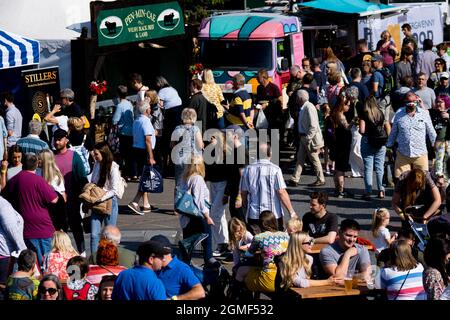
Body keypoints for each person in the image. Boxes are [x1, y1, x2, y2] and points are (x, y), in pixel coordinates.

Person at [3, 153, 58, 267]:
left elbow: (4, 196)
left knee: (30, 264)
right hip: (42, 227)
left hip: (24, 227)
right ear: (37, 164)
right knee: (46, 262)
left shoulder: (14, 180)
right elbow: (54, 200)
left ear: (23, 163)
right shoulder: (39, 180)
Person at [240, 143, 297, 234]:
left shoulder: (248, 169)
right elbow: (281, 192)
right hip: (273, 215)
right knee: (276, 243)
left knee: (257, 243)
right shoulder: (275, 169)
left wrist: (246, 207)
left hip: (254, 215)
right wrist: (292, 212)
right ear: (270, 153)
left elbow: (243, 192)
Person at [53, 128, 88, 253]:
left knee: (76, 227)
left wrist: (84, 199)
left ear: (66, 140)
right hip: (56, 202)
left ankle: (82, 252)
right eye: (55, 139)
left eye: (59, 139)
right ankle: (61, 254)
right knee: (59, 230)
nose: (56, 142)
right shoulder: (51, 157)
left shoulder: (74, 156)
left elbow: (82, 178)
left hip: (72, 199)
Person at [386, 91, 436, 178]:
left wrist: (436, 146)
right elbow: (394, 132)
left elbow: (431, 132)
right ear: (405, 102)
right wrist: (388, 147)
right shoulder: (399, 114)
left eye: (414, 101)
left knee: (422, 182)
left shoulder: (424, 114)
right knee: (401, 181)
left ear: (417, 101)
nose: (411, 104)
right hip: (403, 154)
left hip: (420, 154)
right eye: (409, 101)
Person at [178, 155, 215, 265]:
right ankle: (209, 263)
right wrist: (207, 217)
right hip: (198, 216)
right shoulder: (197, 179)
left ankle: (185, 265)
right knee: (207, 241)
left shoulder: (183, 178)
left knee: (188, 243)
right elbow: (199, 201)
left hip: (186, 215)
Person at [244, 211, 290, 293]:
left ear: (263, 224)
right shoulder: (286, 236)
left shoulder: (259, 237)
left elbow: (248, 254)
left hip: (269, 278)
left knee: (243, 274)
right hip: (286, 277)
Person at [288, 90, 325, 187]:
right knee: (300, 158)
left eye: (297, 97)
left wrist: (308, 138)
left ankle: (321, 179)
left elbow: (313, 126)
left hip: (309, 138)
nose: (296, 99)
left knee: (314, 159)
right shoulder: (305, 107)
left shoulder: (309, 108)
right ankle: (294, 179)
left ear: (300, 98)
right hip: (304, 137)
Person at [151, 234, 205, 300]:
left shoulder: (181, 269)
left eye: (153, 256)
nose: (150, 259)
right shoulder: (154, 267)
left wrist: (175, 299)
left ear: (162, 256)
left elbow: (200, 292)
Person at [89, 142, 121, 253]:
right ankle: (94, 259)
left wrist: (101, 198)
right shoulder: (97, 164)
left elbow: (114, 190)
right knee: (94, 234)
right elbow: (93, 181)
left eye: (96, 154)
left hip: (109, 202)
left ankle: (110, 258)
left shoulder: (113, 167)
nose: (94, 156)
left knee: (110, 235)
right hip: (97, 202)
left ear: (103, 153)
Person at [128, 101, 157, 215]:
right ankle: (135, 201)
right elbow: (148, 140)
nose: (150, 110)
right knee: (146, 178)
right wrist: (151, 156)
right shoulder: (146, 121)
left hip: (137, 150)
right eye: (149, 108)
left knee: (144, 177)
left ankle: (146, 204)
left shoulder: (137, 120)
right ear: (147, 110)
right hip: (144, 151)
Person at [359, 96, 390, 200]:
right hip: (380, 141)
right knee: (379, 167)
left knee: (368, 167)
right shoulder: (380, 113)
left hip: (368, 140)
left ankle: (368, 191)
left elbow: (362, 130)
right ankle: (381, 190)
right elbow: (385, 125)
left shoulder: (364, 114)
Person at [171, 108, 204, 189]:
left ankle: (178, 200)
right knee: (192, 183)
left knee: (179, 184)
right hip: (192, 159)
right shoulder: (195, 129)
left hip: (179, 158)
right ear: (194, 118)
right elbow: (200, 145)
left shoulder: (177, 128)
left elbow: (172, 145)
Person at [156, 75, 183, 173]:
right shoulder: (172, 89)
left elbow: (160, 104)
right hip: (179, 111)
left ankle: (167, 164)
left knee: (168, 137)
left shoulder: (162, 91)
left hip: (171, 113)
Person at [38, 149, 67, 231]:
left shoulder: (56, 177)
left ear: (45, 161)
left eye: (40, 159)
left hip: (54, 215)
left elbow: (62, 197)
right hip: (41, 212)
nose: (37, 160)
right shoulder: (37, 172)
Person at [0, 195, 27, 284]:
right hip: (4, 254)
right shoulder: (2, 204)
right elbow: (11, 228)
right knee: (4, 287)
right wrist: (24, 251)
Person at [330, 95, 353, 198]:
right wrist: (352, 123)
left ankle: (337, 189)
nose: (348, 107)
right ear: (341, 105)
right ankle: (341, 190)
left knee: (337, 168)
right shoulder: (341, 116)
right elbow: (346, 129)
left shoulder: (333, 115)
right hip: (342, 146)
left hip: (335, 144)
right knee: (341, 169)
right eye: (347, 105)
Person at [112, 85, 134, 181]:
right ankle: (132, 173)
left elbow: (114, 120)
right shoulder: (129, 104)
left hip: (123, 132)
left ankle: (125, 173)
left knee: (123, 154)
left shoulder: (120, 106)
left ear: (118, 94)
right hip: (131, 131)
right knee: (130, 154)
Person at [430, 96, 450, 177]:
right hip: (438, 141)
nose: (438, 104)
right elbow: (424, 112)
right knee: (439, 159)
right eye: (437, 102)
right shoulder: (434, 112)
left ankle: (447, 177)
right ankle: (439, 177)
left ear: (446, 103)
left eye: (441, 102)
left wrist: (449, 117)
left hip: (448, 140)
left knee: (448, 159)